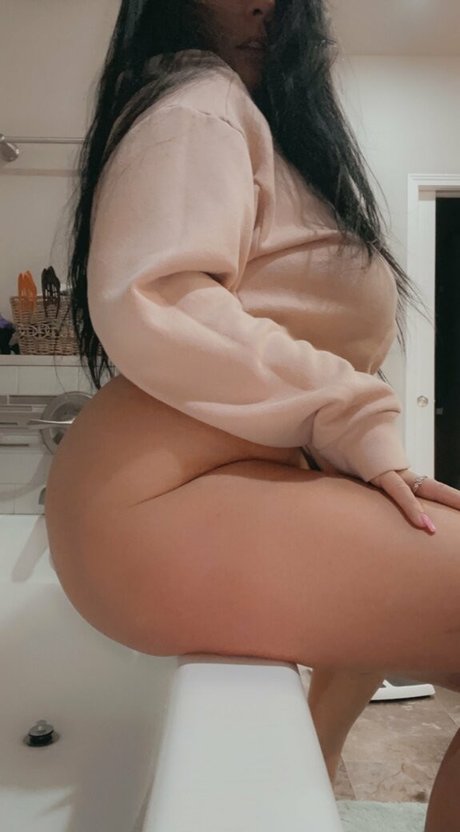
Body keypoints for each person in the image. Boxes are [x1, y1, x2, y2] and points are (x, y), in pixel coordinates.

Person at [44, 2, 460, 825]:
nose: (261, 4)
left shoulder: (251, 124)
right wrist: (348, 411)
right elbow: (159, 296)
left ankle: (317, 764)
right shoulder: (200, 100)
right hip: (157, 499)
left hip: (189, 486)